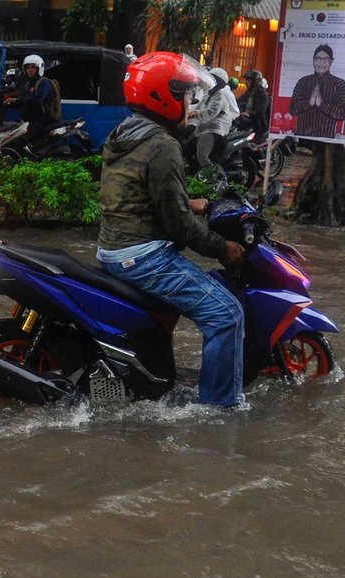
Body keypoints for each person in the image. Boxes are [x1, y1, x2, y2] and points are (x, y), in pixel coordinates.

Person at [97, 52, 245, 408]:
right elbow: (178, 226)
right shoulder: (163, 146)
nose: (189, 105)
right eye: (184, 96)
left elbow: (135, 189)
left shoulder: (125, 133)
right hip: (143, 257)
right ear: (163, 97)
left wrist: (185, 199)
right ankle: (219, 410)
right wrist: (222, 247)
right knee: (227, 315)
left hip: (113, 250)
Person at [182, 67, 238, 170]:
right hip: (203, 127)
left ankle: (212, 180)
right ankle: (196, 172)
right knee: (186, 149)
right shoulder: (208, 94)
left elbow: (210, 112)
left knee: (201, 155)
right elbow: (198, 106)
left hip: (214, 129)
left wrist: (194, 113)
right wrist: (186, 110)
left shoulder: (220, 96)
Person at [290, 45, 345, 139]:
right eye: (318, 59)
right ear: (313, 60)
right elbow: (293, 110)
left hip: (327, 140)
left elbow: (342, 114)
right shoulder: (303, 81)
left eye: (326, 59)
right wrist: (309, 103)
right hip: (302, 138)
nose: (321, 63)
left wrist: (322, 104)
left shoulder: (340, 84)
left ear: (331, 61)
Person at [8, 54, 59, 141]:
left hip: (40, 119)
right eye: (28, 68)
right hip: (28, 118)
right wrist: (9, 103)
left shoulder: (43, 82)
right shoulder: (28, 83)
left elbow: (36, 100)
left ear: (39, 68)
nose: (30, 70)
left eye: (33, 68)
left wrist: (16, 100)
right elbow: (23, 100)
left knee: (25, 139)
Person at [237, 69, 269, 140]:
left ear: (255, 81)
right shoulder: (248, 93)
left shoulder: (261, 93)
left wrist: (248, 114)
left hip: (257, 126)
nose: (246, 82)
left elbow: (260, 111)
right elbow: (238, 101)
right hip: (245, 124)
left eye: (248, 80)